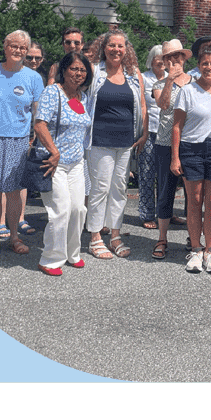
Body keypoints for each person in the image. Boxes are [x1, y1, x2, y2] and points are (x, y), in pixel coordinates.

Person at [0, 30, 44, 259]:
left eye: (23, 48)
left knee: (14, 192)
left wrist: (39, 138)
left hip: (19, 140)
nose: (19, 51)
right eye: (14, 46)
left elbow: (38, 113)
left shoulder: (33, 78)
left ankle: (14, 237)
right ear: (5, 47)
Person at [171, 42, 211, 273]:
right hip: (192, 149)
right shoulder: (187, 91)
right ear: (198, 66)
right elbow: (177, 127)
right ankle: (196, 249)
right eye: (204, 63)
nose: (209, 67)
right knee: (195, 201)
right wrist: (175, 157)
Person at [85, 30, 147, 259]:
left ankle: (116, 235)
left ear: (126, 49)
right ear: (104, 47)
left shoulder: (133, 74)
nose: (116, 50)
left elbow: (142, 104)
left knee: (120, 190)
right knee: (100, 189)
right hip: (99, 140)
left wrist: (144, 133)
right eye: (112, 45)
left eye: (120, 46)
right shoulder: (94, 71)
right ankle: (94, 237)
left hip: (125, 142)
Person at [33, 53, 92, 275]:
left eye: (82, 70)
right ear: (64, 70)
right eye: (74, 69)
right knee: (60, 210)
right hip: (53, 162)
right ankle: (50, 259)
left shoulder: (84, 97)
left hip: (76, 163)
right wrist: (54, 151)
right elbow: (40, 125)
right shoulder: (52, 92)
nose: (78, 74)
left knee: (78, 209)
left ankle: (72, 253)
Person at [151, 39, 194, 259]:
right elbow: (164, 105)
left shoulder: (196, 82)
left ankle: (193, 236)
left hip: (191, 143)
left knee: (192, 194)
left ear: (184, 58)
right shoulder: (159, 84)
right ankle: (162, 238)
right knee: (166, 192)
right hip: (165, 144)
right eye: (169, 57)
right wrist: (169, 80)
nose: (174, 60)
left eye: (177, 56)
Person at [138, 45, 167, 230]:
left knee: (166, 176)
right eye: (158, 57)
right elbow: (141, 104)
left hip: (168, 132)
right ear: (151, 59)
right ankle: (147, 214)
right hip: (148, 131)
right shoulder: (143, 77)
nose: (161, 61)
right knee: (147, 172)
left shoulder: (172, 78)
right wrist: (142, 132)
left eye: (165, 57)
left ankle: (166, 213)